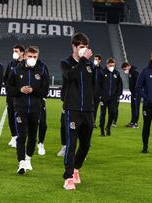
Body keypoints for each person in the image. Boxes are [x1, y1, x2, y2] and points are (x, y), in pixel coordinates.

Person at [7, 46, 49, 175]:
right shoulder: (15, 71)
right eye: (30, 56)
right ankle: (21, 162)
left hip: (36, 109)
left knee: (32, 137)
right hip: (20, 108)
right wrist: (20, 90)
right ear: (24, 56)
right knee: (21, 136)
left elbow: (45, 91)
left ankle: (28, 158)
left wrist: (33, 90)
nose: (32, 59)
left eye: (35, 57)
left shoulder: (42, 71)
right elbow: (9, 89)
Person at [61, 32, 94, 190]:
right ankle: (68, 177)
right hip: (72, 109)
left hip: (88, 110)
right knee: (71, 143)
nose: (84, 49)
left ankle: (75, 169)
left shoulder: (89, 65)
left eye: (86, 47)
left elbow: (93, 85)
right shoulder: (65, 62)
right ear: (73, 46)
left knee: (86, 145)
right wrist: (83, 60)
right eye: (81, 47)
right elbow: (70, 76)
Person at [4, 44, 25, 148]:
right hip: (11, 96)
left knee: (19, 117)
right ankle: (13, 136)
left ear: (22, 52)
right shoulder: (11, 64)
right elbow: (6, 79)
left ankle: (20, 137)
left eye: (16, 51)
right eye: (14, 51)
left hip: (21, 96)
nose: (14, 53)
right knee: (11, 116)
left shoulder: (26, 64)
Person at [97, 58, 123, 136]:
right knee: (103, 114)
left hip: (113, 98)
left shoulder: (117, 73)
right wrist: (100, 95)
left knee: (112, 113)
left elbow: (120, 85)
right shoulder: (102, 72)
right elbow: (98, 85)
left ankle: (108, 127)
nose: (112, 67)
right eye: (110, 65)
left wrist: (118, 95)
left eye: (113, 65)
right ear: (107, 64)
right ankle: (102, 130)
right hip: (103, 98)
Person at [37, 59, 49, 156]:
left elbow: (46, 82)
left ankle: (41, 143)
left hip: (40, 99)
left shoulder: (43, 66)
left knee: (43, 124)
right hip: (25, 101)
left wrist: (44, 97)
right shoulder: (20, 67)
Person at [122, 62, 140, 128]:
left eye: (124, 69)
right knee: (133, 108)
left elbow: (138, 84)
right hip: (133, 93)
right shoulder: (131, 73)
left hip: (136, 93)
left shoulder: (135, 73)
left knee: (135, 108)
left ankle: (135, 123)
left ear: (128, 66)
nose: (124, 71)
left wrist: (136, 92)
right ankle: (132, 122)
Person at [92, 54, 103, 128]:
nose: (95, 60)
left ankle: (93, 122)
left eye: (96, 59)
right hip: (90, 92)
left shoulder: (102, 70)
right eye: (94, 59)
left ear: (100, 60)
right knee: (89, 108)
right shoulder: (90, 68)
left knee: (95, 109)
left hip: (98, 93)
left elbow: (103, 83)